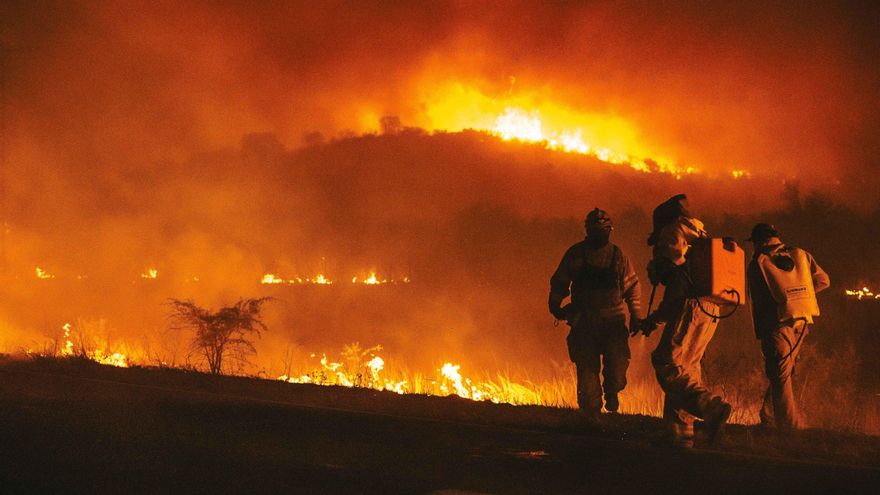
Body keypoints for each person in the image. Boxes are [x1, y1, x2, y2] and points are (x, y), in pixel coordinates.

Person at [638, 194, 731, 448]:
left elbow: (677, 281)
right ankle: (679, 433)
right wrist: (656, 320)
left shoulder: (673, 232)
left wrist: (658, 269)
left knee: (667, 362)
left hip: (691, 305)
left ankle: (711, 407)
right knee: (686, 367)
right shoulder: (699, 235)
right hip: (711, 307)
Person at [549, 208, 641, 418]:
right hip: (585, 324)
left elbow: (632, 287)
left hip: (614, 325)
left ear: (610, 230)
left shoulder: (618, 256)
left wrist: (635, 315)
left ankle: (612, 391)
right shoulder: (575, 254)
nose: (599, 234)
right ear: (587, 231)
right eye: (595, 230)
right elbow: (560, 281)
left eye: (603, 230)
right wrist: (555, 304)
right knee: (587, 376)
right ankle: (591, 421)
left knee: (617, 372)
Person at [746, 223, 830, 431]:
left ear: (759, 241)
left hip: (777, 325)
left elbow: (759, 300)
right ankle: (768, 417)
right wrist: (800, 297)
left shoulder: (759, 262)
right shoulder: (800, 254)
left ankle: (789, 428)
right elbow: (824, 281)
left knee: (780, 376)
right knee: (782, 372)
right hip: (802, 322)